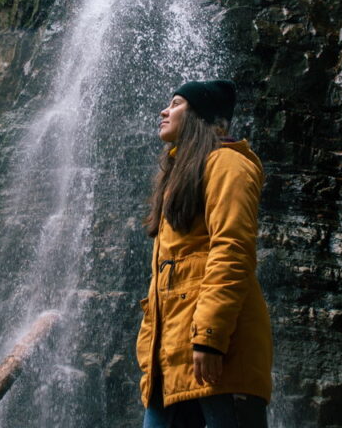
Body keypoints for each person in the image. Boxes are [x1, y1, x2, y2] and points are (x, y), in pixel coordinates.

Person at [136, 79, 273, 428]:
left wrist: (210, 339)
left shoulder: (227, 163)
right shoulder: (180, 174)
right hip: (171, 360)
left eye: (177, 103)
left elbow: (232, 250)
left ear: (200, 116)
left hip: (217, 357)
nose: (164, 111)